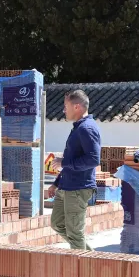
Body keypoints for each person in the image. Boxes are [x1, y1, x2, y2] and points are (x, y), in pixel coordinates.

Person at [48, 90, 101, 250]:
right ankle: (92, 258)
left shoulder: (87, 129)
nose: (64, 110)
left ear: (77, 106)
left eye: (66, 106)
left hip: (79, 188)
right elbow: (71, 159)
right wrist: (56, 183)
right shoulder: (78, 128)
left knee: (74, 233)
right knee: (57, 224)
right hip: (66, 186)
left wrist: (64, 163)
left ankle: (84, 271)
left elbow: (93, 159)